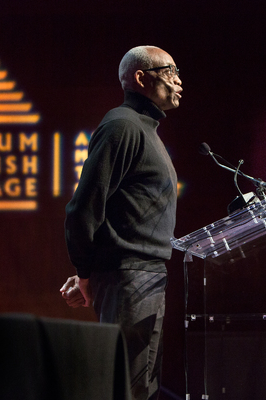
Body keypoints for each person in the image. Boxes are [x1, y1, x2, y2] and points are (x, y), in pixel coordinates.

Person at [60, 45, 182, 400]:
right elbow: (83, 208)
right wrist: (87, 272)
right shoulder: (123, 125)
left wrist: (95, 269)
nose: (178, 79)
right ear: (141, 78)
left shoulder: (145, 129)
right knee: (127, 388)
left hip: (142, 276)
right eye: (169, 70)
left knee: (139, 386)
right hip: (131, 277)